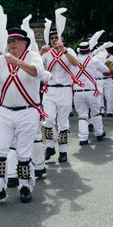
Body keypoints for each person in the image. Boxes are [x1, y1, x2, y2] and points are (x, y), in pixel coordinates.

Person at [0, 28, 47, 204]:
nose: (12, 44)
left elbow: (37, 73)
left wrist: (16, 62)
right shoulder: (1, 59)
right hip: (5, 112)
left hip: (28, 111)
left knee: (23, 153)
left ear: (24, 43)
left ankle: (24, 186)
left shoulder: (33, 56)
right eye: (10, 41)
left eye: (16, 40)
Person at [40, 28, 79, 163]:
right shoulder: (47, 53)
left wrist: (64, 51)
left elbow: (76, 63)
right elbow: (37, 67)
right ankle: (50, 147)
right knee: (48, 120)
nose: (54, 40)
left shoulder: (69, 51)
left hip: (65, 90)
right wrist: (40, 52)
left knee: (63, 123)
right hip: (49, 90)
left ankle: (63, 151)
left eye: (57, 37)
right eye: (52, 38)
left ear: (62, 39)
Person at [71, 41, 109, 145]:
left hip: (78, 91)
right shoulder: (93, 60)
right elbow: (105, 69)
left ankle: (83, 138)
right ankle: (99, 133)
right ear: (89, 50)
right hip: (91, 91)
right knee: (95, 113)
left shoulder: (74, 61)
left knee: (82, 115)